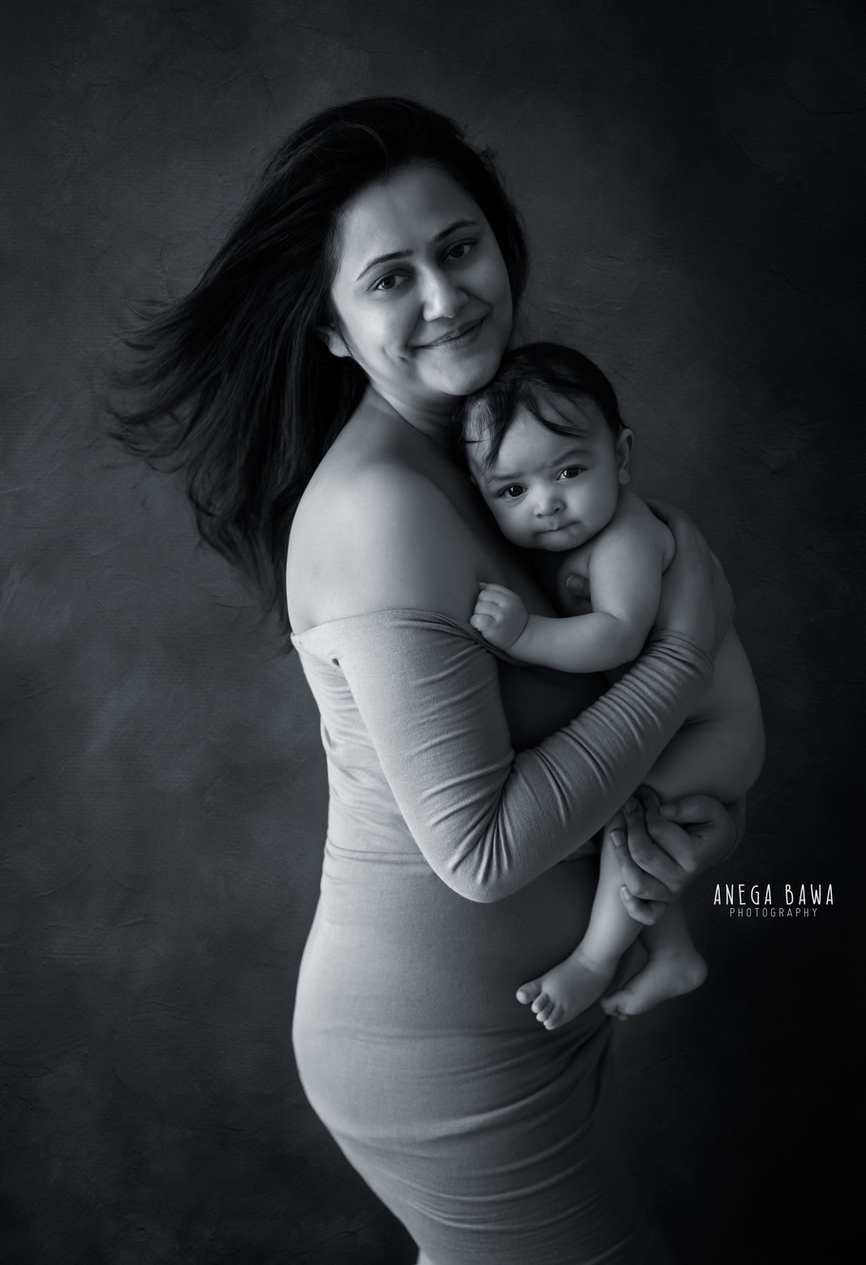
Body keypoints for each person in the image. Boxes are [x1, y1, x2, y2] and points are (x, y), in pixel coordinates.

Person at [113, 97, 746, 1265]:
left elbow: (583, 743)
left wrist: (682, 830)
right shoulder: (385, 509)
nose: (445, 298)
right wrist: (680, 657)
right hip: (443, 1056)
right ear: (333, 327)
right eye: (390, 278)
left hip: (529, 1018)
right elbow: (482, 853)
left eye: (458, 249)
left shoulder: (497, 454)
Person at [460, 343, 764, 1030]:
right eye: (512, 490)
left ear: (620, 456)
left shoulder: (626, 533)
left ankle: (595, 961)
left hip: (714, 731)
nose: (547, 503)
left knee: (629, 819)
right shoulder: (568, 537)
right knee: (642, 825)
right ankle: (674, 951)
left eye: (570, 470)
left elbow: (619, 635)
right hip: (682, 725)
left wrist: (524, 635)